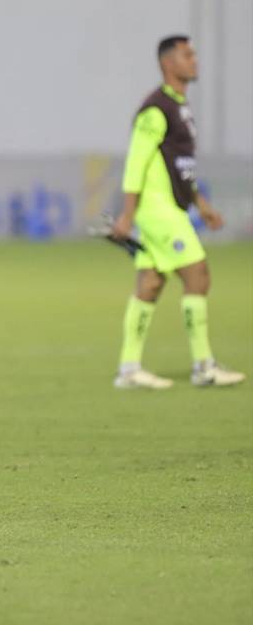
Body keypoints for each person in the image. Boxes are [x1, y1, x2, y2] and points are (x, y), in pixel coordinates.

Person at [110, 35, 244, 390]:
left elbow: (178, 167)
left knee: (151, 284)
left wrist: (201, 204)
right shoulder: (156, 109)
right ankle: (204, 366)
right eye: (188, 55)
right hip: (158, 211)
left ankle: (128, 369)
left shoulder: (179, 107)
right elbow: (136, 161)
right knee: (197, 274)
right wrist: (127, 214)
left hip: (170, 208)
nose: (195, 60)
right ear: (168, 63)